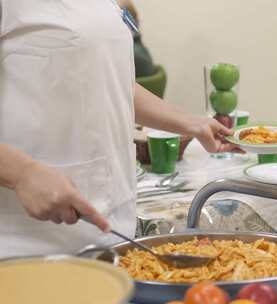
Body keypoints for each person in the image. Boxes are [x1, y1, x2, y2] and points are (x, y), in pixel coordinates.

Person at [0, 0, 237, 258]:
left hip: (112, 233)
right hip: (25, 245)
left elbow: (112, 81)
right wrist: (22, 174)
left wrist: (193, 124)